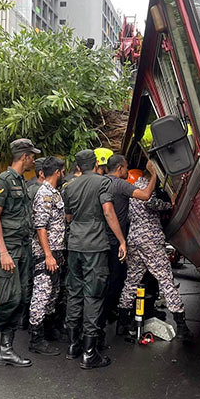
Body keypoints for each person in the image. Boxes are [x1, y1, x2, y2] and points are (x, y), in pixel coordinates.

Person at [0, 138, 40, 368]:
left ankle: (6, 349)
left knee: (22, 299)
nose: (34, 159)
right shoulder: (2, 181)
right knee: (10, 299)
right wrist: (3, 252)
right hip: (8, 248)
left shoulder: (22, 182)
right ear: (24, 156)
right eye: (32, 156)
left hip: (23, 247)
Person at [62, 149, 126, 369]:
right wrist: (121, 240)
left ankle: (73, 345)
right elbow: (108, 212)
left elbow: (68, 217)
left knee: (74, 293)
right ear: (96, 163)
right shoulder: (102, 183)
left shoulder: (69, 187)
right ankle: (90, 352)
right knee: (94, 295)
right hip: (95, 245)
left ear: (78, 167)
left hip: (74, 245)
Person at [117, 170, 193, 340]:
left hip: (134, 239)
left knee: (131, 281)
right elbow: (151, 203)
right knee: (166, 280)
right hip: (150, 239)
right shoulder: (144, 186)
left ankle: (121, 323)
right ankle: (181, 326)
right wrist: (170, 205)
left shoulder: (128, 191)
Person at [102, 155, 159, 333]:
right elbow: (145, 195)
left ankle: (104, 316)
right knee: (117, 279)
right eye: (126, 167)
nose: (127, 171)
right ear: (119, 168)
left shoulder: (101, 182)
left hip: (97, 240)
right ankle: (107, 316)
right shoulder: (121, 184)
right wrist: (155, 175)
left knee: (102, 280)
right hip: (114, 241)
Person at [28, 156, 66, 356]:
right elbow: (40, 227)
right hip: (46, 254)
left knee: (53, 292)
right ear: (58, 172)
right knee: (41, 294)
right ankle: (36, 339)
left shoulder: (54, 193)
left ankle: (49, 329)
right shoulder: (44, 194)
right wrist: (48, 255)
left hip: (55, 252)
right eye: (62, 171)